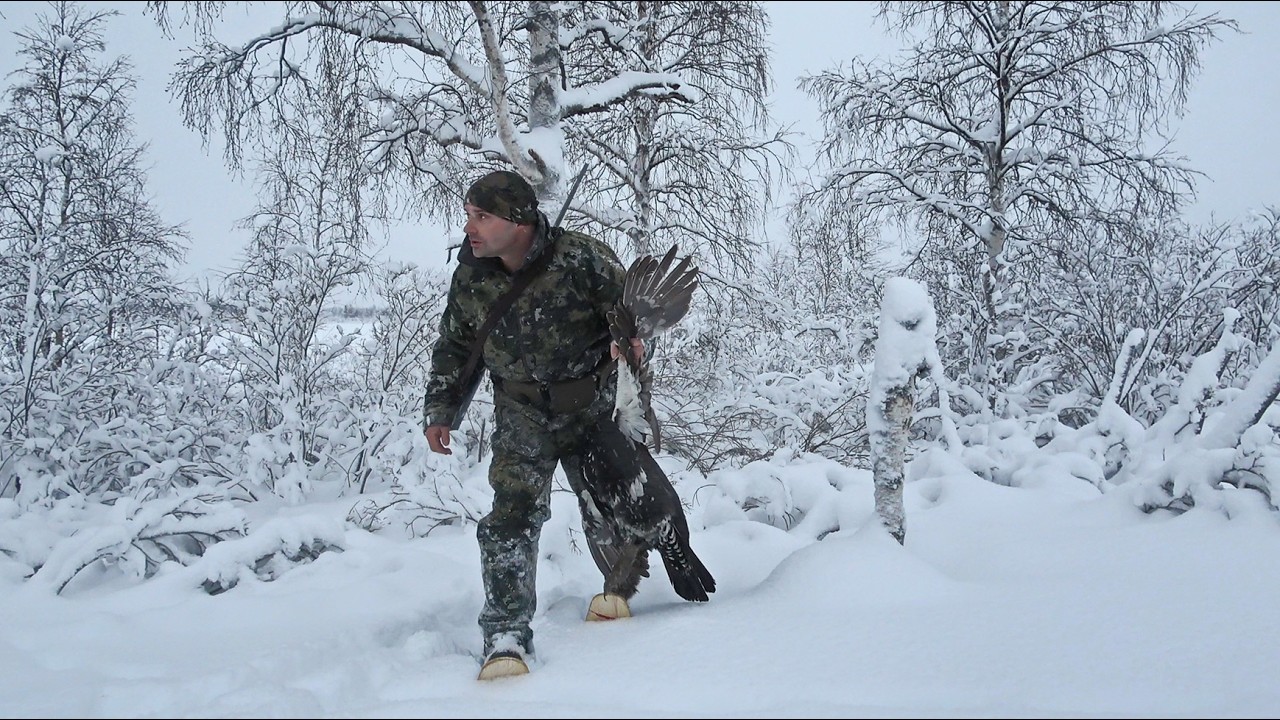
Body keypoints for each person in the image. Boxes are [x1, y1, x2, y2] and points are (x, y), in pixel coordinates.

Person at [422, 169, 642, 681]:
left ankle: (619, 591)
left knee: (607, 502)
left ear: (518, 222)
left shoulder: (583, 258)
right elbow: (458, 346)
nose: (470, 226)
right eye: (469, 215)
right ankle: (505, 635)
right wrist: (441, 410)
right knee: (511, 517)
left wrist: (628, 342)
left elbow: (632, 318)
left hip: (590, 406)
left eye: (483, 216)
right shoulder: (472, 275)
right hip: (521, 413)